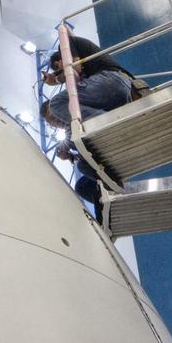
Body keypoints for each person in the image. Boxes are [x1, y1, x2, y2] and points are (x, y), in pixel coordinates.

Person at [40, 35, 134, 220]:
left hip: (113, 81)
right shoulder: (81, 109)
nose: (58, 120)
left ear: (60, 61)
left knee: (58, 102)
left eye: (54, 119)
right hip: (116, 94)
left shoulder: (68, 43)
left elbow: (74, 69)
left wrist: (56, 79)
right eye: (53, 122)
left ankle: (104, 125)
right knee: (83, 171)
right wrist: (71, 157)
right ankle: (111, 194)